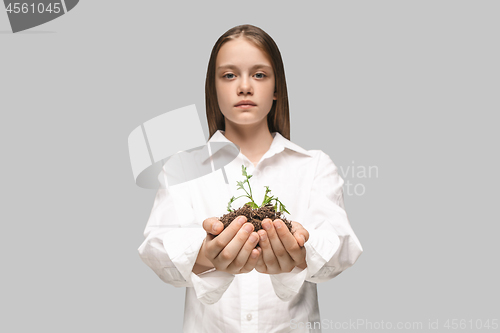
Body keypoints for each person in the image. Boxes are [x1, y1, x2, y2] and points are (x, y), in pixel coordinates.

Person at [138, 24, 363, 333]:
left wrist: (300, 252)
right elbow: (155, 247)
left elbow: (343, 246)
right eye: (229, 75)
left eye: (259, 74)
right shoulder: (182, 167)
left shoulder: (314, 166)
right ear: (213, 87)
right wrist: (205, 253)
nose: (244, 87)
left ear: (276, 89)